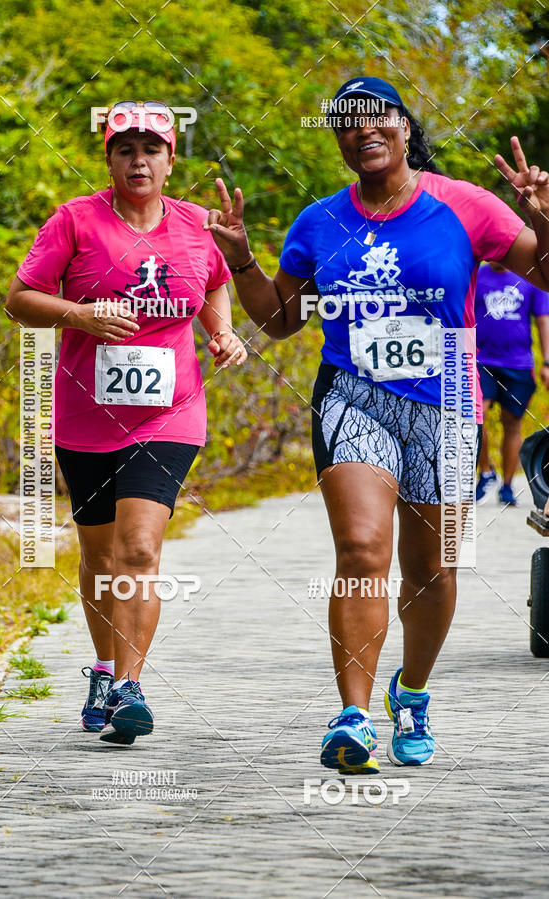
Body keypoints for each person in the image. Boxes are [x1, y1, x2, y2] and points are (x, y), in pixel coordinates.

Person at [204, 76, 549, 773]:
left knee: (435, 568)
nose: (362, 127)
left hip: (448, 400)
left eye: (376, 115)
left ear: (403, 126)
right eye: (346, 120)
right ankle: (353, 715)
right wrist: (240, 258)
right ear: (337, 139)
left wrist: (543, 217)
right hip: (353, 395)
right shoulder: (318, 222)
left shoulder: (464, 204)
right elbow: (280, 319)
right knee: (362, 549)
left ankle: (412, 692)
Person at [6, 101, 247, 745]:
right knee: (99, 554)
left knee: (138, 549)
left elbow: (215, 283)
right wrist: (80, 316)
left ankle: (130, 688)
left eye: (152, 149)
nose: (139, 161)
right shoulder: (75, 220)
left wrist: (222, 332)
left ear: (171, 160)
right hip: (85, 414)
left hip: (171, 412)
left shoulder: (198, 224)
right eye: (125, 150)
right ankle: (105, 667)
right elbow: (19, 299)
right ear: (109, 160)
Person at [475, 261, 549, 505]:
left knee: (512, 424)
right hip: (481, 360)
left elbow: (543, 320)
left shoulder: (529, 276)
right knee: (475, 417)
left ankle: (507, 486)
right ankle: (486, 472)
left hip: (518, 364)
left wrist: (547, 362)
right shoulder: (476, 274)